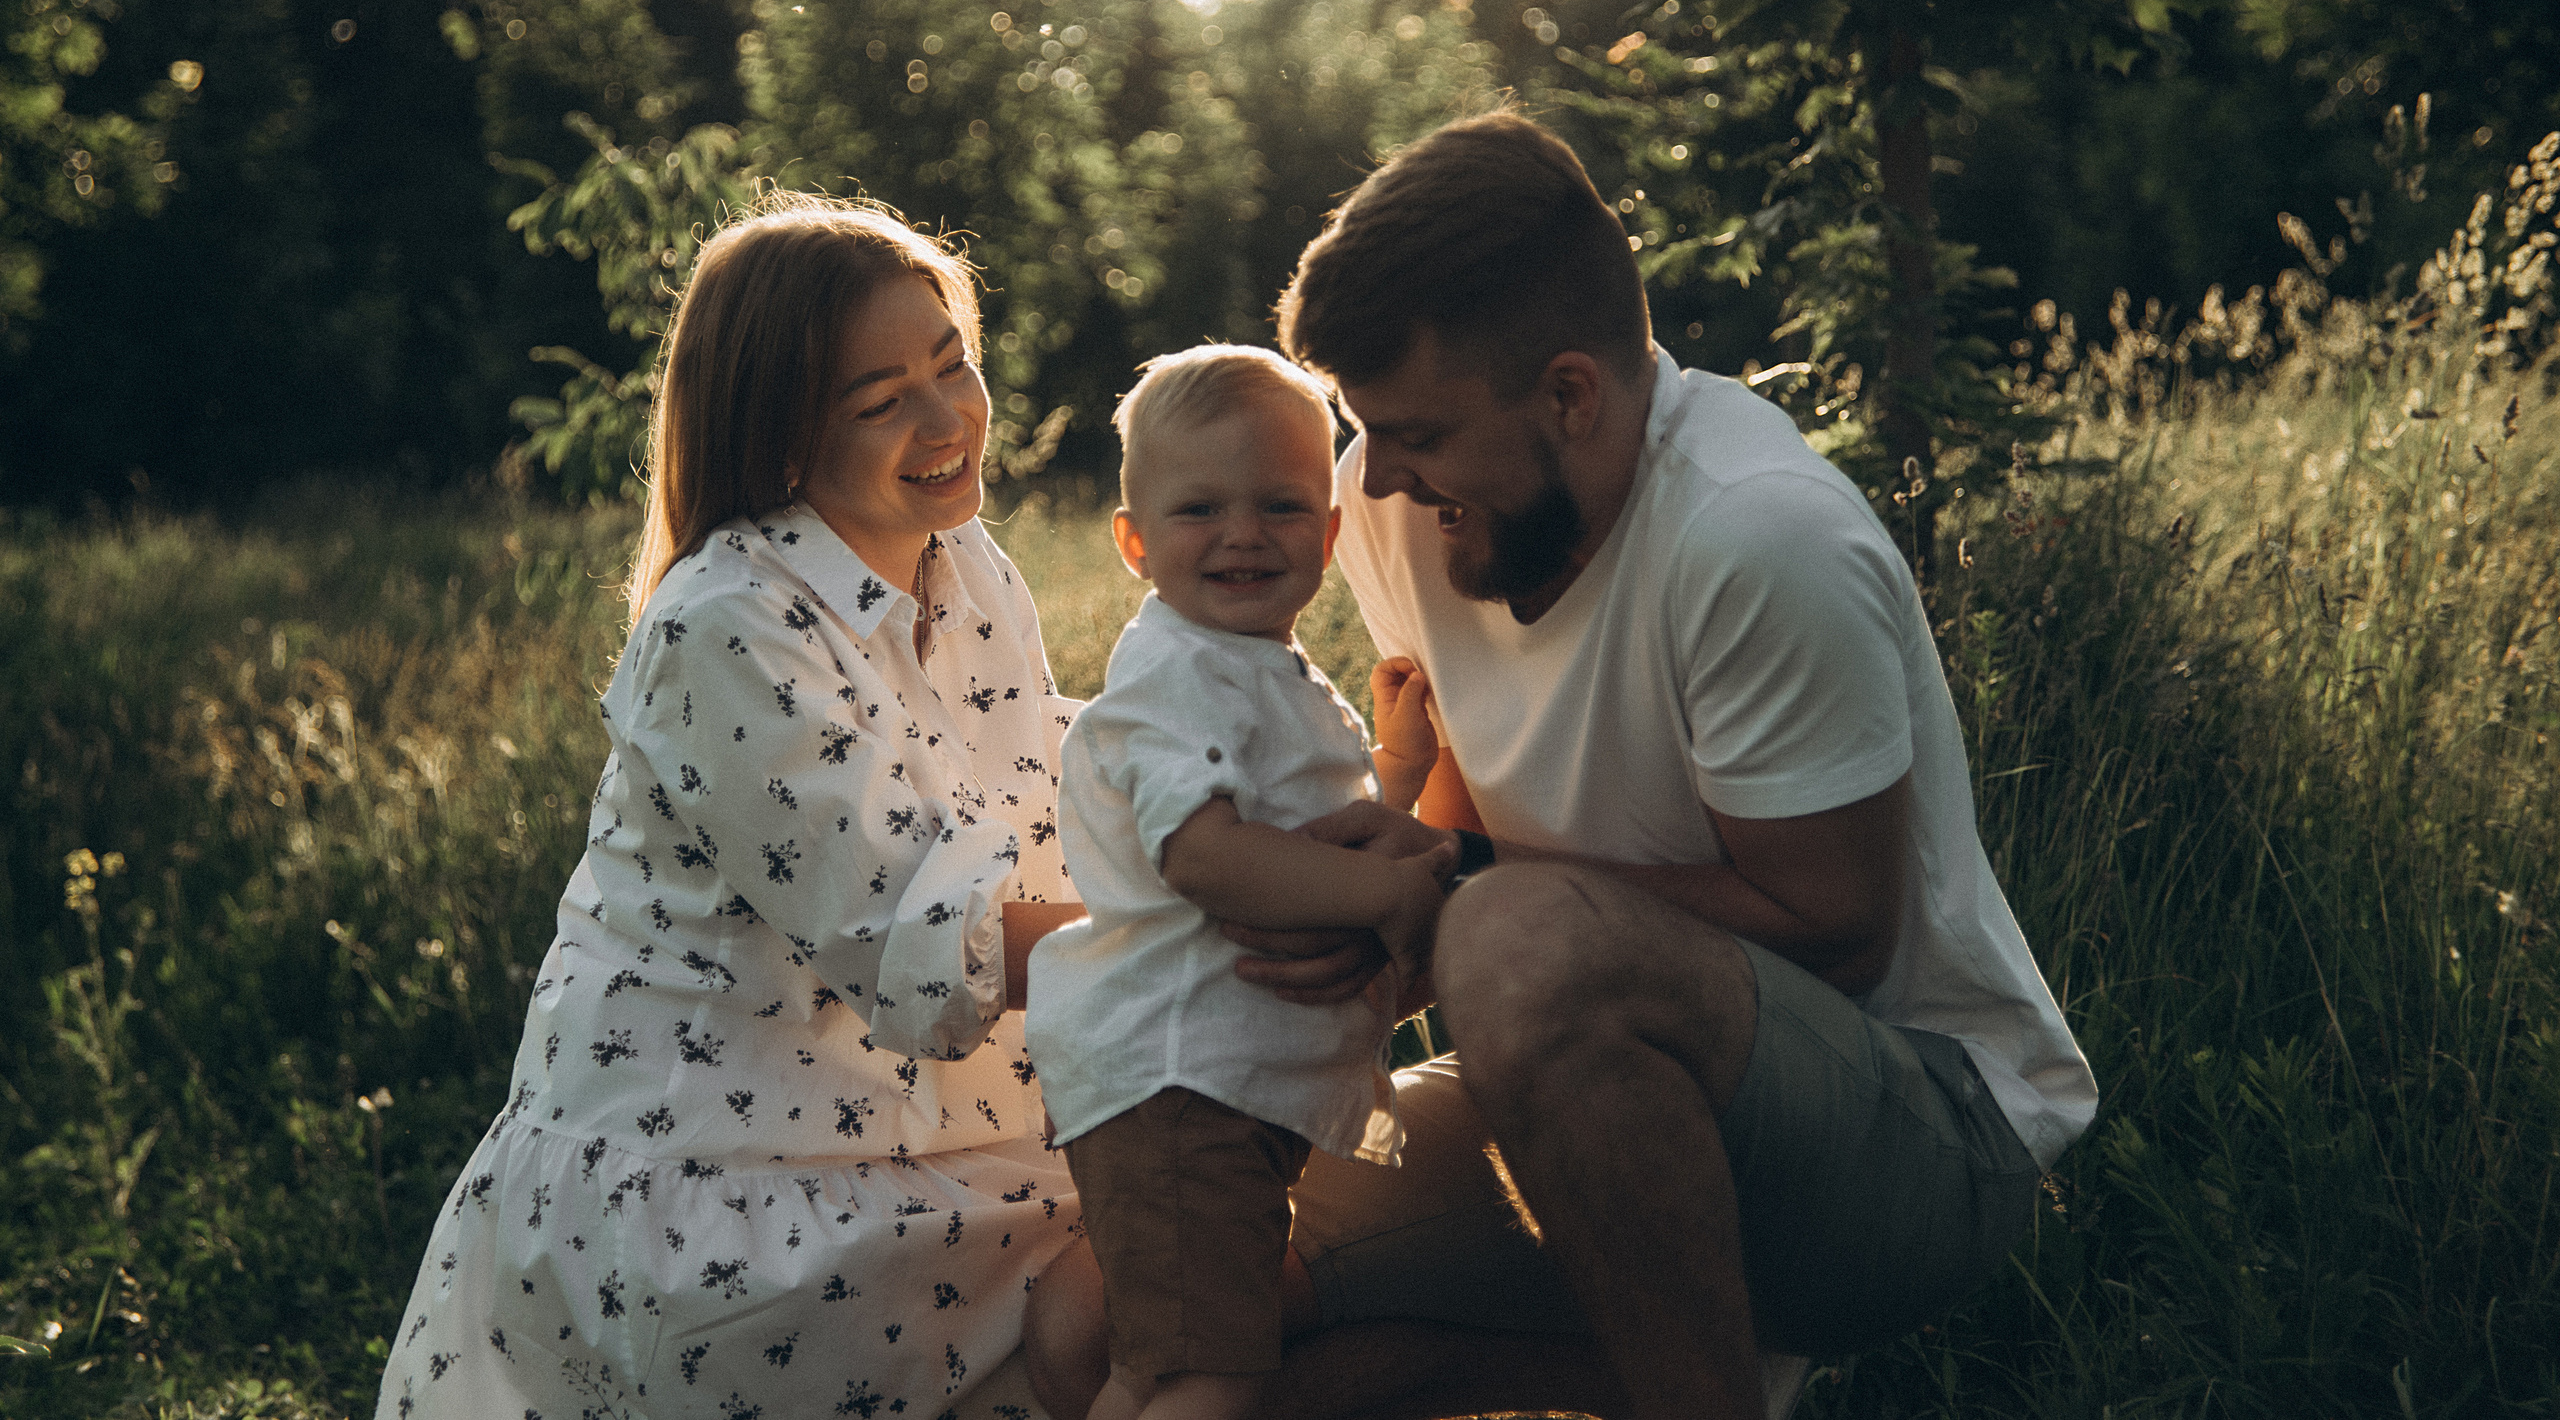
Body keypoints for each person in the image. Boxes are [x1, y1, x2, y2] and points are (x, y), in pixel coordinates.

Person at [1028, 112, 2100, 1420]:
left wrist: (1455, 882)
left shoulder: (1755, 541)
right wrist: (1365, 905)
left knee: (1518, 938)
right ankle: (1647, 1379)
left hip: (1905, 1140)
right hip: (1578, 1081)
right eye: (1369, 429)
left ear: (1571, 394)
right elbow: (1462, 809)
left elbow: (1840, 930)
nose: (1380, 472)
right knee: (1126, 1322)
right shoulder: (1402, 499)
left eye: (1416, 430)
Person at [376, 195, 1092, 1420]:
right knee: (1188, 1307)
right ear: (781, 439)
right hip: (736, 1198)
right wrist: (1186, 956)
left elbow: (1037, 774)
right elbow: (917, 931)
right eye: (882, 400)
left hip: (926, 1139)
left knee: (1235, 1277)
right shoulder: (724, 619)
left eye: (952, 361)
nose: (945, 416)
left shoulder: (963, 560)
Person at [1023, 346, 1447, 1420]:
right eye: (1200, 506)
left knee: (1159, 1365)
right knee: (1214, 1376)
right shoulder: (1178, 674)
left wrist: (1396, 772)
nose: (1244, 532)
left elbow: (1304, 837)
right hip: (1179, 1082)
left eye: (1281, 503)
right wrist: (1390, 898)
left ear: (1331, 531)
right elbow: (1205, 856)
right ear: (1133, 540)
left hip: (1211, 1083)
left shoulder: (1254, 665)